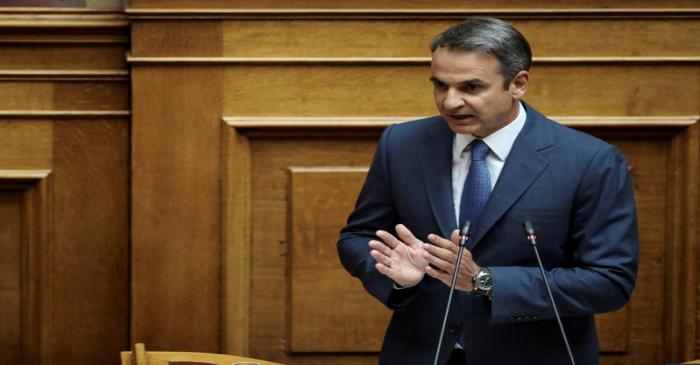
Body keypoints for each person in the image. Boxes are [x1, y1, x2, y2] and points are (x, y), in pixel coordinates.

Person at [337, 17, 638, 365]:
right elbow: (358, 236)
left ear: (518, 83)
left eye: (471, 88)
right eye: (440, 85)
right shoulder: (402, 145)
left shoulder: (589, 161)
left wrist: (484, 282)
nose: (450, 102)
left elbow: (609, 282)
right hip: (421, 354)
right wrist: (397, 275)